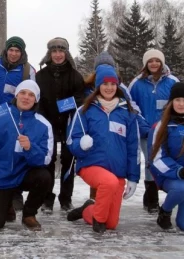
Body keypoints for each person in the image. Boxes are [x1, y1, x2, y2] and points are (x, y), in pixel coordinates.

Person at [65, 65, 140, 233]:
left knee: (112, 223)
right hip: (91, 164)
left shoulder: (127, 113)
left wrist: (133, 177)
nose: (109, 87)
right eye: (105, 84)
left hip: (117, 171)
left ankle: (88, 209)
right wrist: (81, 145)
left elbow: (133, 148)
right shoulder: (85, 110)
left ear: (118, 86)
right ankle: (98, 221)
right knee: (108, 183)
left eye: (113, 84)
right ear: (98, 86)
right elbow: (72, 140)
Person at [0, 80, 53, 231]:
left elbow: (46, 159)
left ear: (36, 99)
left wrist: (31, 148)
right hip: (1, 178)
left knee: (44, 177)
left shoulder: (43, 124)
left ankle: (29, 214)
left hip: (25, 175)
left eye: (31, 95)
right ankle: (7, 204)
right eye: (23, 93)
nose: (26, 97)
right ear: (16, 95)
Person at [83, 51, 149, 201]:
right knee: (98, 168)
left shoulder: (120, 88)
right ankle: (94, 203)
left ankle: (100, 203)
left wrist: (144, 128)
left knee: (110, 170)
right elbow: (81, 110)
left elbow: (131, 109)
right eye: (102, 66)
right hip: (94, 132)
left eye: (108, 65)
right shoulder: (87, 87)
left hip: (115, 131)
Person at [148, 82, 184, 231]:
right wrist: (177, 171)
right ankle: (165, 212)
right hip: (170, 176)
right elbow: (156, 158)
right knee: (181, 189)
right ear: (171, 102)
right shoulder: (161, 126)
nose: (181, 104)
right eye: (177, 100)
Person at [35, 37, 85, 213]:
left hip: (68, 125)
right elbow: (37, 100)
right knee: (47, 162)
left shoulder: (75, 76)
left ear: (66, 53)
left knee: (68, 162)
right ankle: (46, 200)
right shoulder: (40, 76)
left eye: (61, 51)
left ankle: (66, 199)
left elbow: (80, 99)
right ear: (49, 54)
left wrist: (65, 106)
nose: (57, 55)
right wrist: (42, 119)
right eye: (54, 51)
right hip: (47, 125)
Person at [128, 49, 179, 214]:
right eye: (151, 61)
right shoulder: (137, 83)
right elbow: (131, 106)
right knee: (151, 162)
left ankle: (169, 193)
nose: (154, 64)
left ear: (162, 62)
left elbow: (179, 105)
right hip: (146, 132)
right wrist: (143, 126)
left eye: (157, 60)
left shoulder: (172, 82)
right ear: (146, 64)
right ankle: (151, 199)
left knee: (166, 161)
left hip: (167, 131)